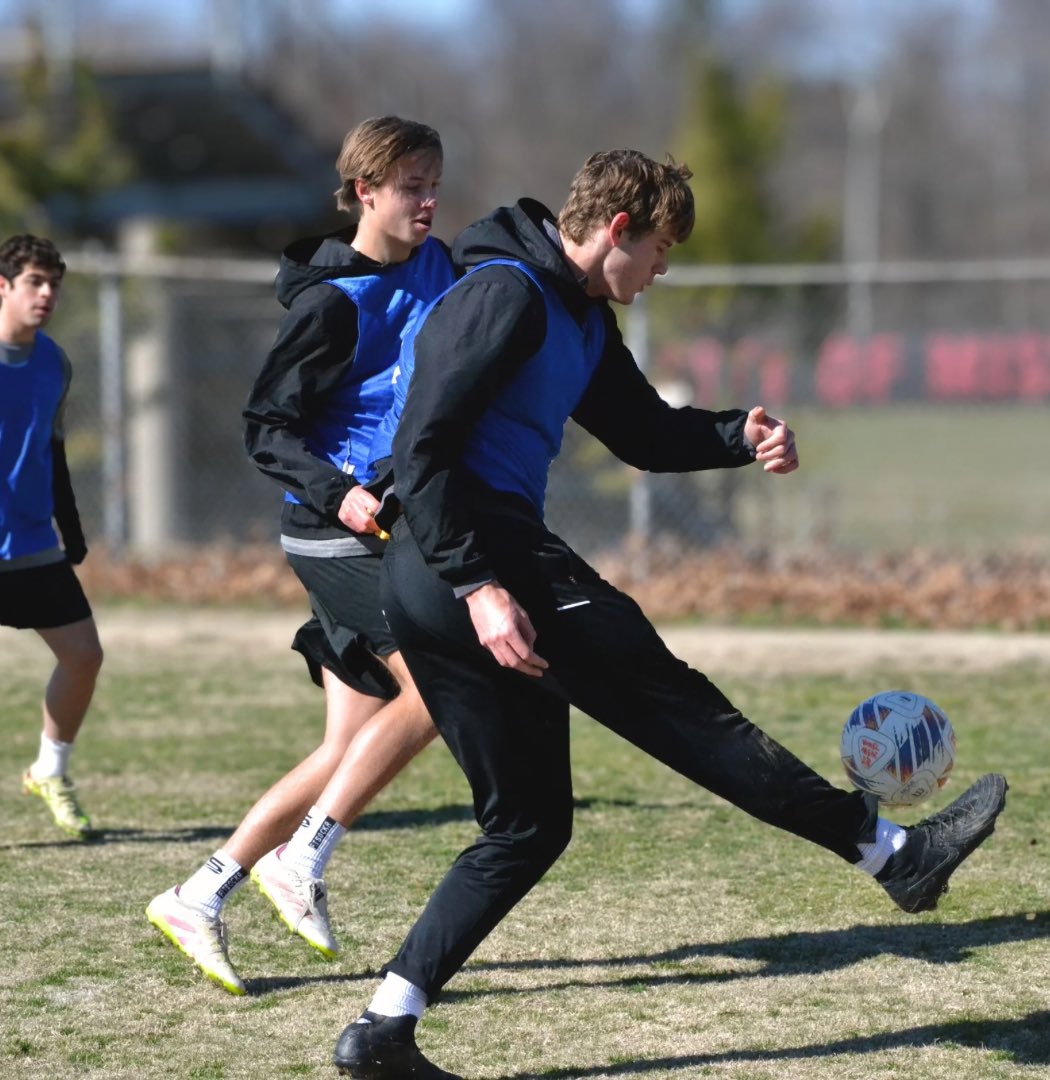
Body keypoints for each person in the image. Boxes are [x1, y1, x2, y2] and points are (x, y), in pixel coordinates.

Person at [330, 150, 1009, 1079]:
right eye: (658, 250)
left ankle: (382, 1028)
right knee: (683, 707)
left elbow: (645, 434)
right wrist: (480, 584)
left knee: (528, 825)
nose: (662, 271)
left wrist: (740, 434)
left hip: (448, 571)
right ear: (616, 230)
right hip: (472, 557)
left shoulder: (579, 318)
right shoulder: (507, 293)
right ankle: (893, 855)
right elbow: (424, 444)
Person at [146, 116, 455, 995]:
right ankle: (304, 856)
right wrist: (342, 490)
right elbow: (265, 427)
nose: (429, 200)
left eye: (435, 181)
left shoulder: (444, 267)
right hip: (334, 533)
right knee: (438, 684)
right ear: (365, 191)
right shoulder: (332, 302)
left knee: (347, 747)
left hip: (392, 527)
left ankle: (198, 894)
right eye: (411, 186)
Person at [0, 234, 103, 842]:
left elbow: (53, 450)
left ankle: (50, 769)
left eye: (54, 284)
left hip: (33, 542)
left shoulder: (54, 362)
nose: (47, 295)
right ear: (3, 286)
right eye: (35, 282)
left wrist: (73, 528)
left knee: (84, 656)